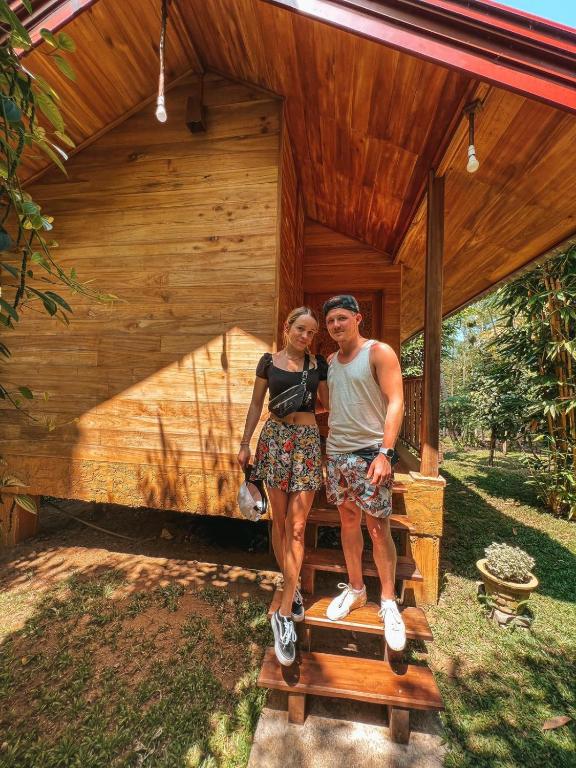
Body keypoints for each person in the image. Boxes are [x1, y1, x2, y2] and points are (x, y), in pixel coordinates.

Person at [237, 307, 328, 666]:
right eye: (301, 329)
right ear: (287, 328)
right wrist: (245, 443)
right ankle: (292, 587)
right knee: (279, 523)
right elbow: (255, 404)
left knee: (298, 527)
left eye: (311, 333)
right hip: (273, 440)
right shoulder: (268, 363)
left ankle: (284, 612)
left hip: (306, 442)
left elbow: (328, 404)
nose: (306, 336)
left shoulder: (318, 365)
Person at [322, 295, 407, 652]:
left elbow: (396, 401)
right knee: (347, 521)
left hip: (370, 454)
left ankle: (388, 601)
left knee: (377, 527)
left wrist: (386, 453)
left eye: (342, 318)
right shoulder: (330, 362)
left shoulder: (378, 352)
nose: (336, 325)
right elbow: (332, 404)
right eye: (330, 321)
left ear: (358, 318)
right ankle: (356, 589)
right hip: (336, 454)